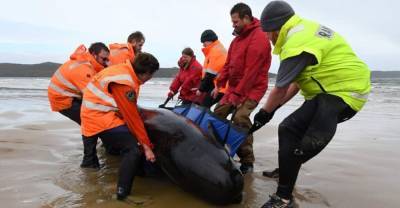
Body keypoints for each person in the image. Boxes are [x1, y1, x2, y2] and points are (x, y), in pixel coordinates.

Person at [251, 1, 371, 207]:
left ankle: (282, 198)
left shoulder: (297, 42)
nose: (267, 38)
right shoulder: (303, 30)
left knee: (299, 139)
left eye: (267, 33)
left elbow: (280, 88)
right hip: (331, 92)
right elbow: (296, 84)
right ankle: (287, 171)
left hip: (344, 93)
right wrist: (274, 109)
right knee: (287, 128)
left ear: (276, 28)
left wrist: (263, 113)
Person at [80, 52, 160, 200]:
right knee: (133, 149)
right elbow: (132, 118)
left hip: (95, 113)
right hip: (99, 117)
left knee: (128, 142)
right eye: (151, 75)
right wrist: (147, 147)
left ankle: (137, 172)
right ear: (145, 73)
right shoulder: (124, 82)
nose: (151, 78)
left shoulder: (124, 71)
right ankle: (122, 193)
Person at [212, 2, 271, 174]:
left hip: (253, 88)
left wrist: (238, 96)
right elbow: (228, 65)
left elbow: (251, 72)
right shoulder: (236, 41)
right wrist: (219, 84)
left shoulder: (259, 37)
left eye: (236, 21)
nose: (233, 25)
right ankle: (217, 150)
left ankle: (247, 161)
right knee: (218, 113)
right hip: (235, 88)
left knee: (240, 118)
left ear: (246, 18)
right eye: (232, 22)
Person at [196, 29, 228, 108]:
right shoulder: (217, 49)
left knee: (204, 106)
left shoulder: (215, 51)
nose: (203, 45)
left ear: (210, 40)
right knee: (205, 106)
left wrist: (201, 89)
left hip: (221, 87)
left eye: (204, 42)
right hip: (219, 85)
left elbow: (210, 74)